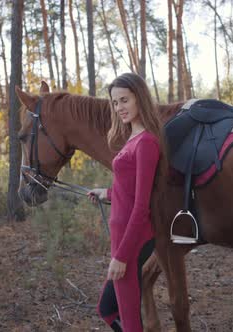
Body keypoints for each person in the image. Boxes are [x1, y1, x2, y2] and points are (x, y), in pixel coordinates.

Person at [87, 73, 162, 332]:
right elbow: (128, 190)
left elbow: (142, 206)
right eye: (115, 102)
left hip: (132, 241)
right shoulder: (132, 138)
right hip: (122, 238)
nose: (119, 108)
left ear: (139, 98)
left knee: (129, 322)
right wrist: (105, 193)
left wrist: (122, 257)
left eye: (124, 100)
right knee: (107, 309)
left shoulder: (146, 143)